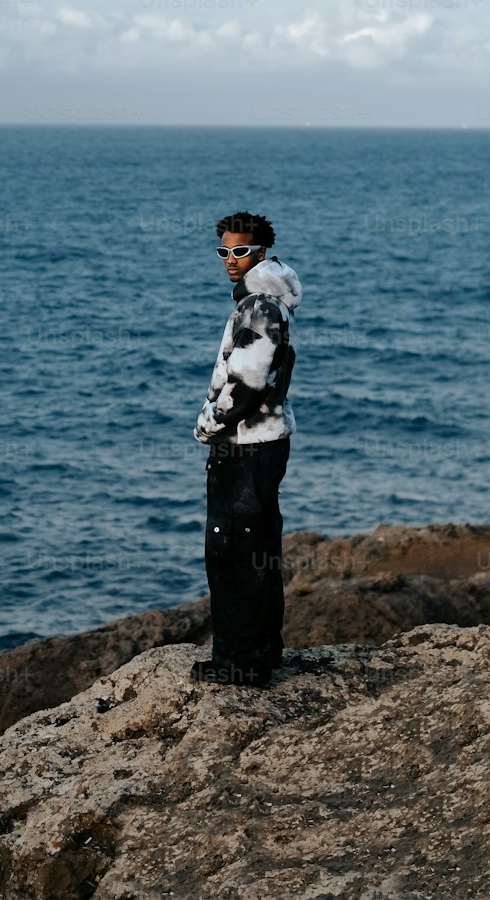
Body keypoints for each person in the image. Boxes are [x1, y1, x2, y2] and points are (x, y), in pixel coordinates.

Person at [191, 210, 301, 688]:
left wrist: (209, 424)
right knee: (257, 549)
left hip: (245, 446)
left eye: (241, 252)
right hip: (263, 444)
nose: (230, 260)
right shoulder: (267, 303)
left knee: (232, 550)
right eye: (224, 251)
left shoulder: (259, 307)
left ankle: (241, 663)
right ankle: (263, 652)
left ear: (260, 251)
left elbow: (249, 381)